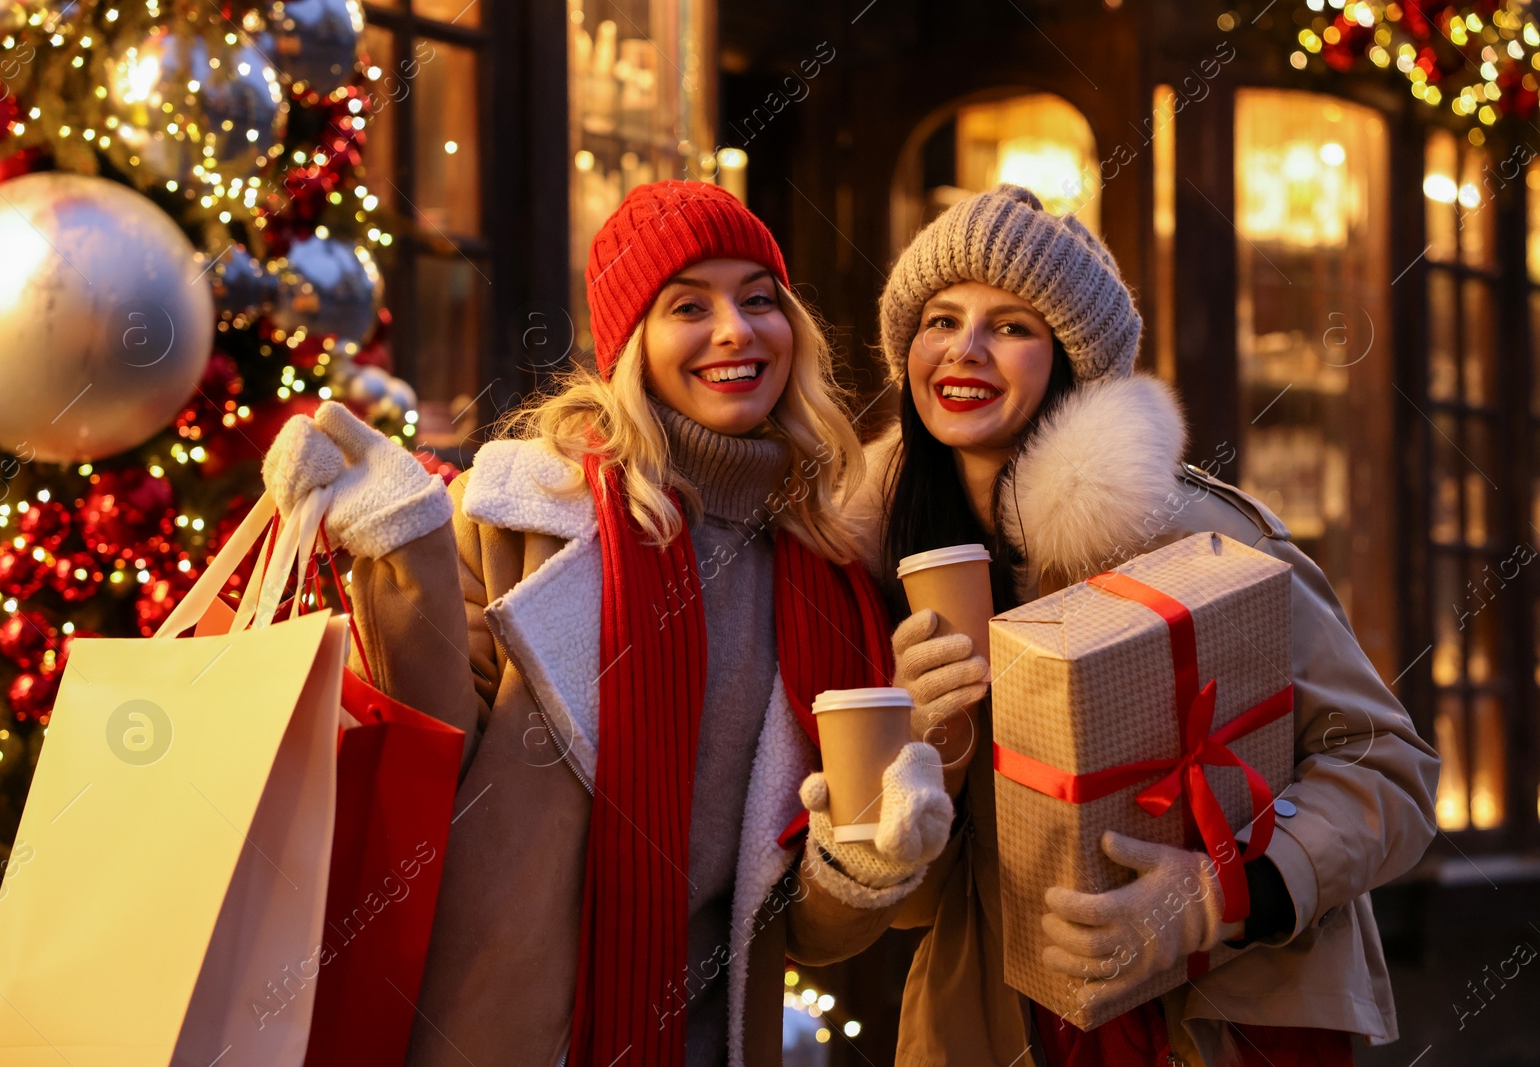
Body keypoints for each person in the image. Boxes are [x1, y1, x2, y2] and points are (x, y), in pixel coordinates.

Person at [260, 179, 952, 1067]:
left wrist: (869, 866)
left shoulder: (833, 573)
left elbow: (804, 934)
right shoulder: (518, 515)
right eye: (688, 306)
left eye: (758, 299)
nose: (736, 331)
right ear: (632, 346)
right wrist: (402, 554)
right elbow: (425, 770)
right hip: (498, 1034)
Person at [845, 184, 1439, 1066]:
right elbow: (901, 898)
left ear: (1073, 362)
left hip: (1216, 1019)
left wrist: (1216, 893)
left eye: (1011, 325)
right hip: (994, 1018)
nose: (964, 348)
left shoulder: (1189, 534)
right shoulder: (875, 559)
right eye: (940, 318)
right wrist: (925, 741)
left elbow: (1387, 765)